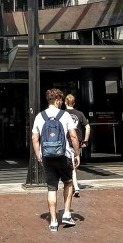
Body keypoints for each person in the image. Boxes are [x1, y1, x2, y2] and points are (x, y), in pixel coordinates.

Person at [31, 88, 81, 231]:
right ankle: (66, 214)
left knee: (51, 188)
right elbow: (73, 136)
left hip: (47, 157)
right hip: (63, 156)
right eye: (60, 100)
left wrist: (38, 155)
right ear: (58, 100)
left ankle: (53, 222)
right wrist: (77, 153)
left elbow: (35, 138)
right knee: (68, 182)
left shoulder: (39, 116)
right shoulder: (65, 115)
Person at [64, 93, 91, 197]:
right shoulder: (80, 114)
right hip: (77, 141)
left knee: (71, 164)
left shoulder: (62, 114)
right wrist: (85, 140)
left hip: (66, 140)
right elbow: (87, 127)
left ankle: (75, 186)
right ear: (74, 103)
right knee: (74, 163)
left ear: (65, 102)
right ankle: (73, 184)